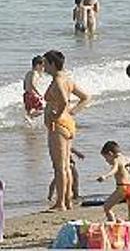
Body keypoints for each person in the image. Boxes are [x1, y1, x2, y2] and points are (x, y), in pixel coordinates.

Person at [43, 50, 91, 211]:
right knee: (65, 166)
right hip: (68, 123)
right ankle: (68, 200)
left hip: (58, 126)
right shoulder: (67, 79)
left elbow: (63, 100)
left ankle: (61, 202)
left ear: (52, 64)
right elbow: (86, 97)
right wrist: (72, 112)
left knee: (59, 167)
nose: (43, 67)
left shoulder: (57, 80)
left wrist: (57, 114)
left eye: (45, 63)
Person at [96, 141, 130, 222]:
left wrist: (105, 176)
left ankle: (112, 222)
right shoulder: (128, 159)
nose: (106, 161)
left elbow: (114, 170)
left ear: (110, 154)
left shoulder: (116, 160)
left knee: (107, 207)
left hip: (123, 187)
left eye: (106, 158)